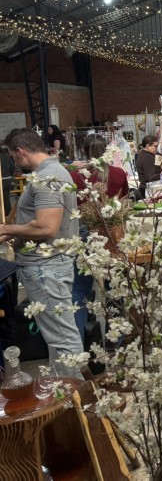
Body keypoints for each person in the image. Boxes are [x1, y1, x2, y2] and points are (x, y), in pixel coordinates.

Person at [0, 130, 83, 377]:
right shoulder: (50, 173)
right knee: (58, 337)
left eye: (14, 158)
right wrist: (15, 232)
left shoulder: (48, 177)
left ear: (21, 152)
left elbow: (47, 227)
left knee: (63, 338)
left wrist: (6, 229)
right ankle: (65, 390)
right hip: (46, 266)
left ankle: (75, 393)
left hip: (46, 269)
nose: (15, 164)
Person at [68, 136, 130, 341]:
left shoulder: (74, 177)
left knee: (79, 289)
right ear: (108, 151)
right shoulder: (119, 174)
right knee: (115, 287)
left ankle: (78, 343)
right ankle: (116, 340)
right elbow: (123, 202)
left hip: (84, 233)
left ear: (83, 152)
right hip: (112, 234)